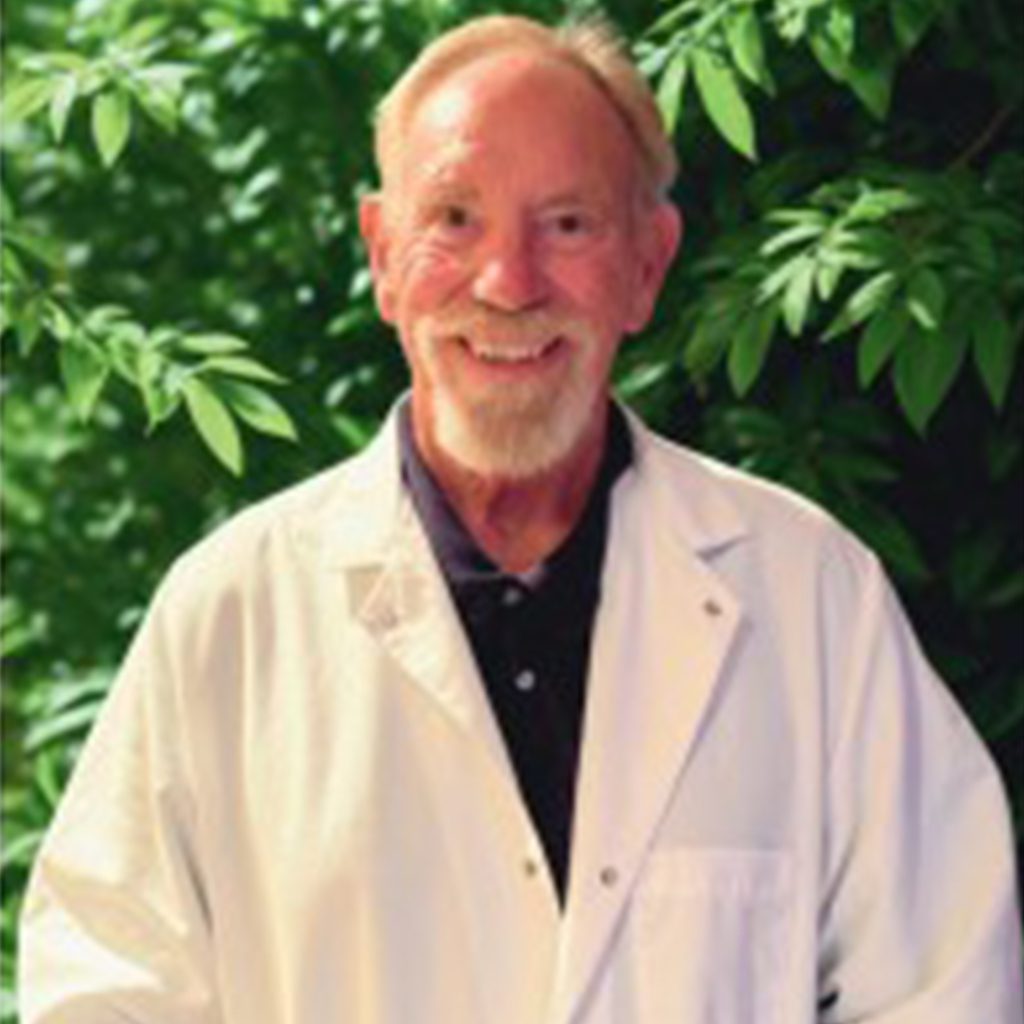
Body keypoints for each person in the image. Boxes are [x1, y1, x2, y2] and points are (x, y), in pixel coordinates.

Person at [19, 13, 1023, 1024]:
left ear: (647, 264)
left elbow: (946, 984)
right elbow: (103, 989)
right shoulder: (229, 617)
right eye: (454, 218)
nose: (508, 282)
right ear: (383, 254)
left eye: (568, 224)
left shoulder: (810, 595)